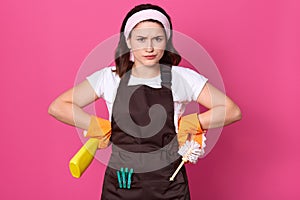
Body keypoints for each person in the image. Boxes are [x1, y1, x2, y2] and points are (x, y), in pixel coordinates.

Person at [48, 3, 242, 200]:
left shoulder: (182, 78)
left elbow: (232, 110)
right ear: (129, 41)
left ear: (166, 41)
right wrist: (93, 124)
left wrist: (196, 122)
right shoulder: (110, 78)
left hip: (169, 185)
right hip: (121, 185)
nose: (149, 48)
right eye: (141, 39)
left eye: (157, 39)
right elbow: (58, 107)